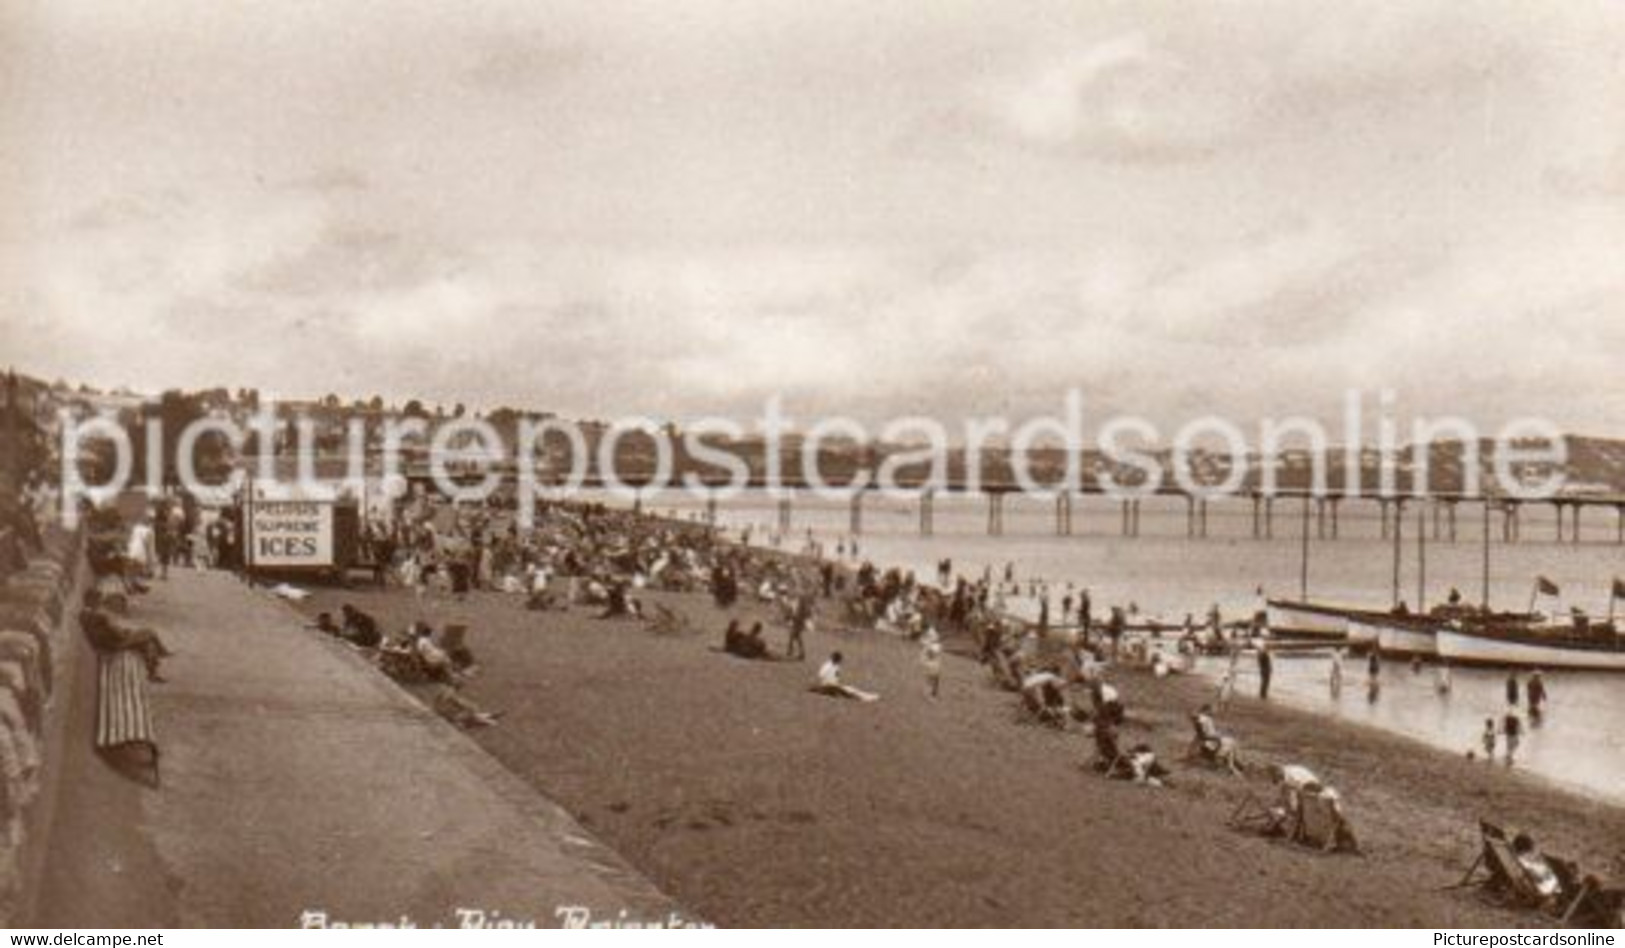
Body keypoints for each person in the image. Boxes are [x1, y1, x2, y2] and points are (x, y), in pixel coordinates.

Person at [812, 651, 878, 701]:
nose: (840, 661)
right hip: (829, 685)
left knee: (849, 689)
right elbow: (820, 676)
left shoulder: (836, 666)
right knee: (848, 691)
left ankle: (867, 696)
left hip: (834, 684)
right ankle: (865, 698)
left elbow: (837, 676)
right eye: (839, 660)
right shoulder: (827, 666)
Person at [921, 632, 943, 698]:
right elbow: (929, 655)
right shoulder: (928, 647)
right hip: (930, 666)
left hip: (935, 665)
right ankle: (928, 694)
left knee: (936, 679)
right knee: (930, 680)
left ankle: (934, 692)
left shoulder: (935, 646)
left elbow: (937, 653)